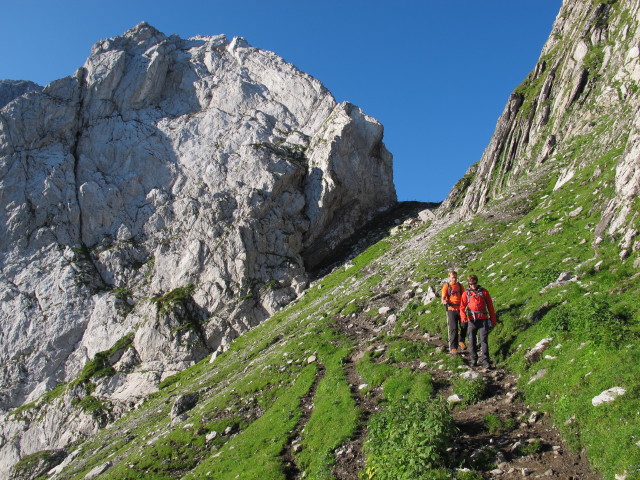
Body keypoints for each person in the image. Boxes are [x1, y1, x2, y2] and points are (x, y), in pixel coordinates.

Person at [460, 274, 496, 368]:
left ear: (477, 282)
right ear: (468, 283)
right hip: (472, 320)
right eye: (471, 283)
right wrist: (463, 318)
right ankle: (473, 359)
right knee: (471, 341)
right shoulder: (466, 294)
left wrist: (493, 319)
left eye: (474, 283)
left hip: (483, 319)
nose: (473, 285)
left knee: (484, 340)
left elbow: (490, 306)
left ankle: (486, 360)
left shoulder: (484, 292)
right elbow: (462, 307)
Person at [441, 270, 466, 354]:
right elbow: (443, 296)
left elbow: (464, 296)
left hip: (460, 309)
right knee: (454, 328)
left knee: (464, 324)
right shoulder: (446, 286)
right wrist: (444, 301)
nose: (454, 279)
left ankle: (461, 340)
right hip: (451, 309)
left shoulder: (460, 286)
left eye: (455, 277)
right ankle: (453, 347)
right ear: (449, 278)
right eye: (452, 278)